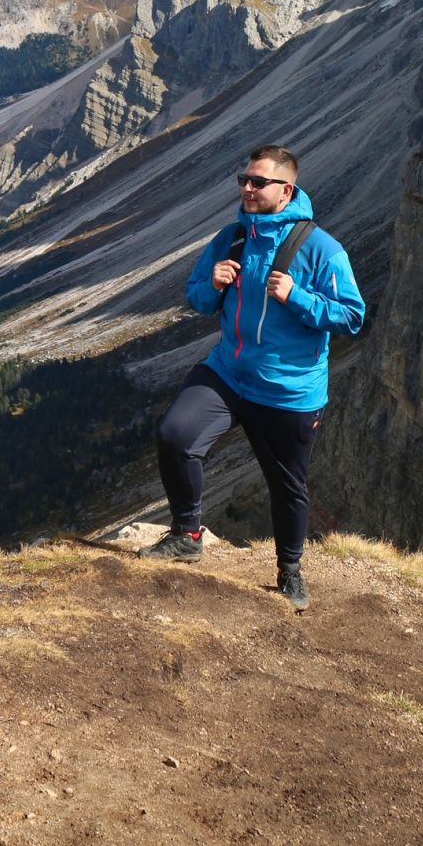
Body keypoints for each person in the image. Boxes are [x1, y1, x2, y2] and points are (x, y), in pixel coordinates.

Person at [139, 144, 365, 608]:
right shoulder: (233, 237)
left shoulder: (321, 249)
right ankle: (187, 535)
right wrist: (213, 284)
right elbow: (197, 299)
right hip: (228, 370)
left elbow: (352, 317)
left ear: (286, 189)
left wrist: (297, 297)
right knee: (175, 435)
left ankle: (290, 570)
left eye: (257, 182)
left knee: (286, 485)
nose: (246, 188)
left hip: (287, 389)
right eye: (243, 179)